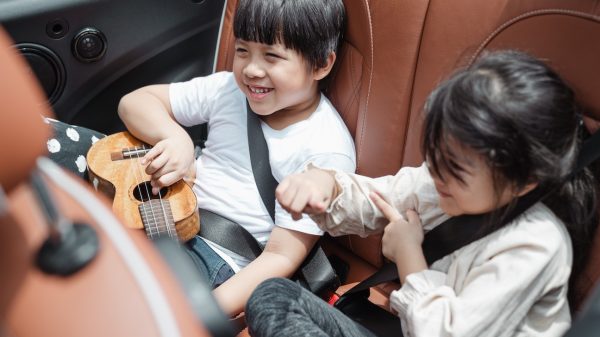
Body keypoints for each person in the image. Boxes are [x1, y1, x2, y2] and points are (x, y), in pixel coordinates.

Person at [244, 50, 598, 337]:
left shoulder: (536, 244)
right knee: (273, 297)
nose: (436, 173)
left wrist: (407, 252)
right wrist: (325, 185)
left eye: (456, 169)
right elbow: (377, 199)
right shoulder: (440, 182)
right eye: (435, 154)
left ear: (525, 180)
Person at [117, 0, 355, 317]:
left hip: (217, 255)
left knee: (125, 300)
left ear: (320, 65)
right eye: (242, 51)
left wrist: (202, 312)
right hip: (167, 213)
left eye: (272, 56)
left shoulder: (325, 149)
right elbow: (134, 102)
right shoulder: (228, 89)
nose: (251, 69)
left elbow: (281, 257)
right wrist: (175, 138)